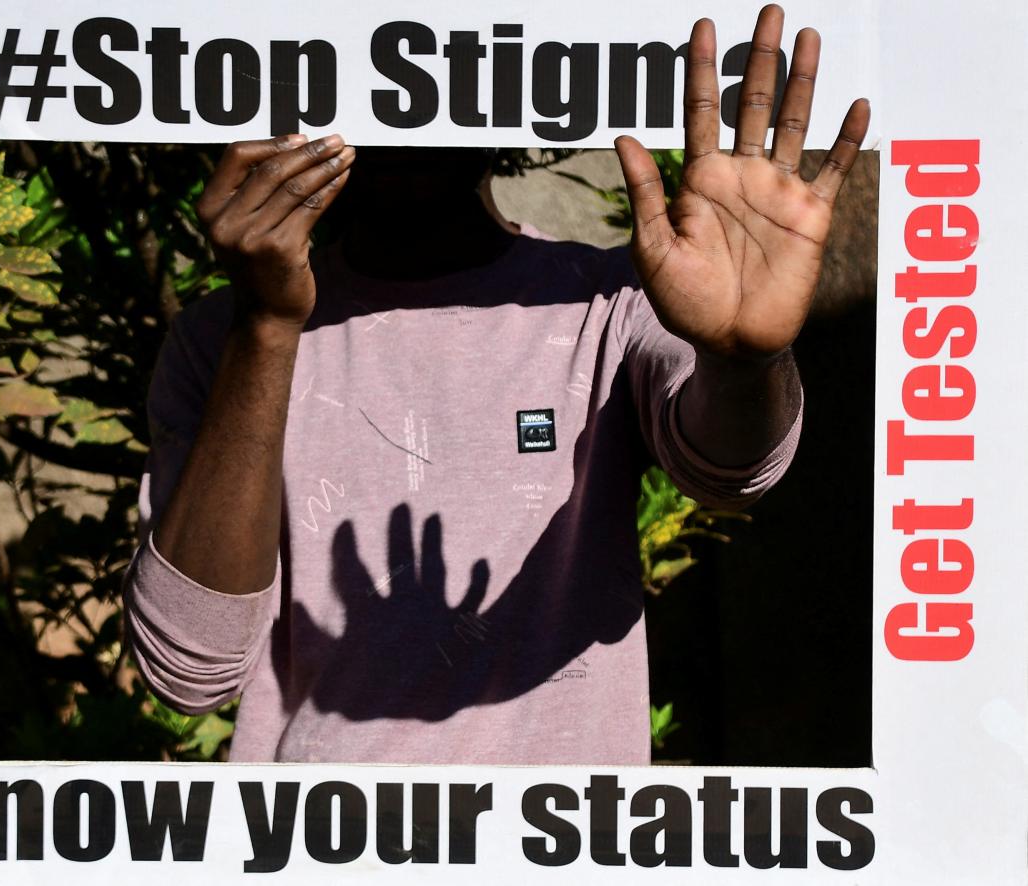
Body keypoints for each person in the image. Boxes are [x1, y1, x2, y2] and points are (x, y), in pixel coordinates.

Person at [124, 6, 869, 764]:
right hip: (320, 853)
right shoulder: (227, 338)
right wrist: (268, 327)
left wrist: (744, 356)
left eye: (437, 71)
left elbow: (732, 470)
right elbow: (190, 670)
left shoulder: (605, 303)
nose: (406, 111)